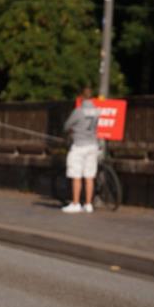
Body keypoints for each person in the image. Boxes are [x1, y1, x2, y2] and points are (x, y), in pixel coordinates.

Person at [62, 86, 101, 214]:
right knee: (89, 176)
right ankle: (88, 204)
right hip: (92, 144)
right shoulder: (97, 111)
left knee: (76, 175)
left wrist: (72, 131)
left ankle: (75, 203)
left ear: (81, 97)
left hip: (79, 144)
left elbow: (67, 125)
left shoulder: (78, 111)